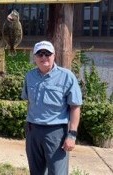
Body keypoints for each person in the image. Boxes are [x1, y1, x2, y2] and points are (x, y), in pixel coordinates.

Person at [21, 40, 83, 175]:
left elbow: (75, 107)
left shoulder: (67, 76)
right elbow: (29, 102)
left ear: (54, 55)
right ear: (35, 57)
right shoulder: (29, 76)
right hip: (33, 132)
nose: (44, 57)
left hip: (56, 134)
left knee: (57, 172)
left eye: (47, 53)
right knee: (36, 172)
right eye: (40, 54)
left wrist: (71, 135)